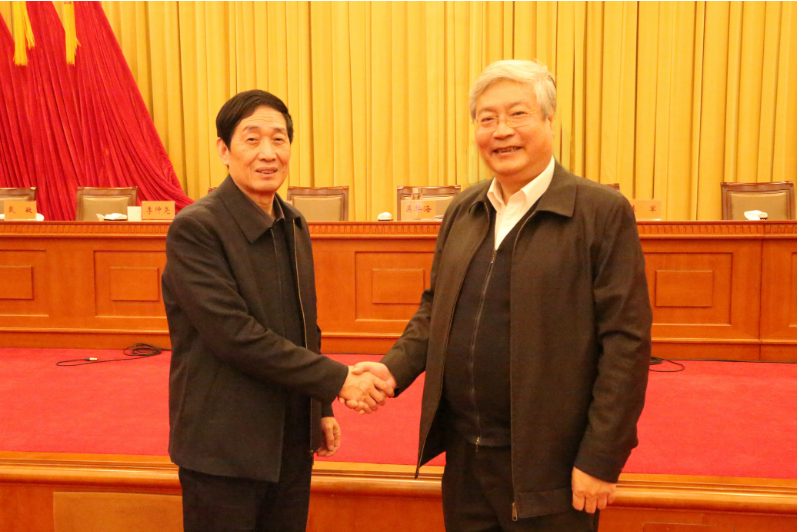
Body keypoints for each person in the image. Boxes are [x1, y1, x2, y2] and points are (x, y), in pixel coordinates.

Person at [352, 60, 652, 531]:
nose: (501, 131)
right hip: (466, 458)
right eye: (486, 118)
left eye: (518, 114)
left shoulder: (600, 212)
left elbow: (626, 344)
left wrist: (601, 457)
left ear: (549, 121)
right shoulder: (464, 209)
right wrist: (392, 369)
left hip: (551, 466)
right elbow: (436, 310)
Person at [162, 89, 393, 532]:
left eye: (279, 139)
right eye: (252, 140)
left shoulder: (293, 221)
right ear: (224, 151)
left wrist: (320, 408)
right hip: (223, 446)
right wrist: (340, 380)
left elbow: (306, 325)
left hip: (288, 441)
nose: (268, 153)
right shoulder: (196, 228)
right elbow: (235, 336)